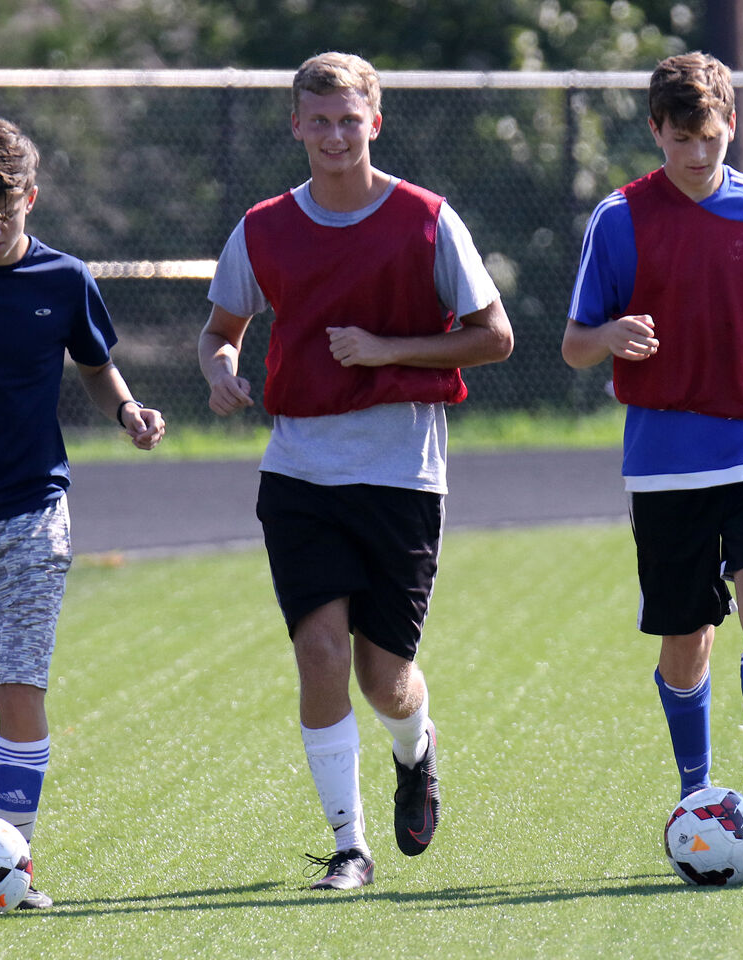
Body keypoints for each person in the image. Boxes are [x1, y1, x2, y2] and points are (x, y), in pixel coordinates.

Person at [198, 52, 512, 891]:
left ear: (375, 122)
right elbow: (221, 327)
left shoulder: (426, 219)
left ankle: (417, 751)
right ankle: (349, 846)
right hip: (299, 470)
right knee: (321, 652)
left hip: (403, 473)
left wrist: (387, 350)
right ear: (296, 125)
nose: (335, 135)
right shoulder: (262, 228)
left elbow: (495, 335)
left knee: (386, 677)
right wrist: (220, 368)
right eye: (319, 120)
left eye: (350, 119)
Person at [561, 52, 743, 859]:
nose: (698, 155)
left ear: (730, 125)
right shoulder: (620, 219)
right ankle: (698, 793)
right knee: (687, 632)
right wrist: (611, 336)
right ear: (655, 133)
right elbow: (572, 346)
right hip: (668, 460)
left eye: (709, 136)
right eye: (680, 140)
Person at [0, 117, 165, 908]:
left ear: (30, 199)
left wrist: (129, 410)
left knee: (21, 685)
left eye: (4, 209)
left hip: (33, 515)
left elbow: (97, 365)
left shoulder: (64, 280)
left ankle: (12, 861)